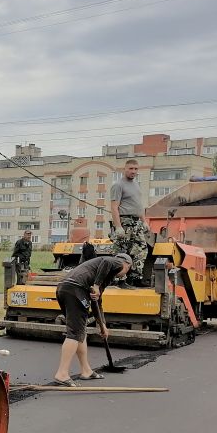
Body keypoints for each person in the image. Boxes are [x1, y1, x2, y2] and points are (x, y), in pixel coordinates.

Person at [52, 252, 132, 386]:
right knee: (74, 333)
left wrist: (102, 325)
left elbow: (97, 302)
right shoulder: (116, 262)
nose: (125, 273)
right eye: (128, 269)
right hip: (75, 289)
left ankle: (86, 370)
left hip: (65, 289)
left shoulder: (103, 275)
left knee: (80, 331)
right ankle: (62, 373)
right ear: (126, 264)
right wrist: (96, 285)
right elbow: (106, 262)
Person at [110, 159, 149, 288]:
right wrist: (118, 227)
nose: (133, 171)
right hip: (125, 222)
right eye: (131, 168)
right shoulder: (118, 185)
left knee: (141, 249)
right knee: (122, 251)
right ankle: (119, 280)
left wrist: (144, 221)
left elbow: (139, 205)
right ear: (125, 169)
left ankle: (135, 278)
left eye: (136, 169)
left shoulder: (136, 184)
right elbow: (114, 207)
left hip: (137, 223)